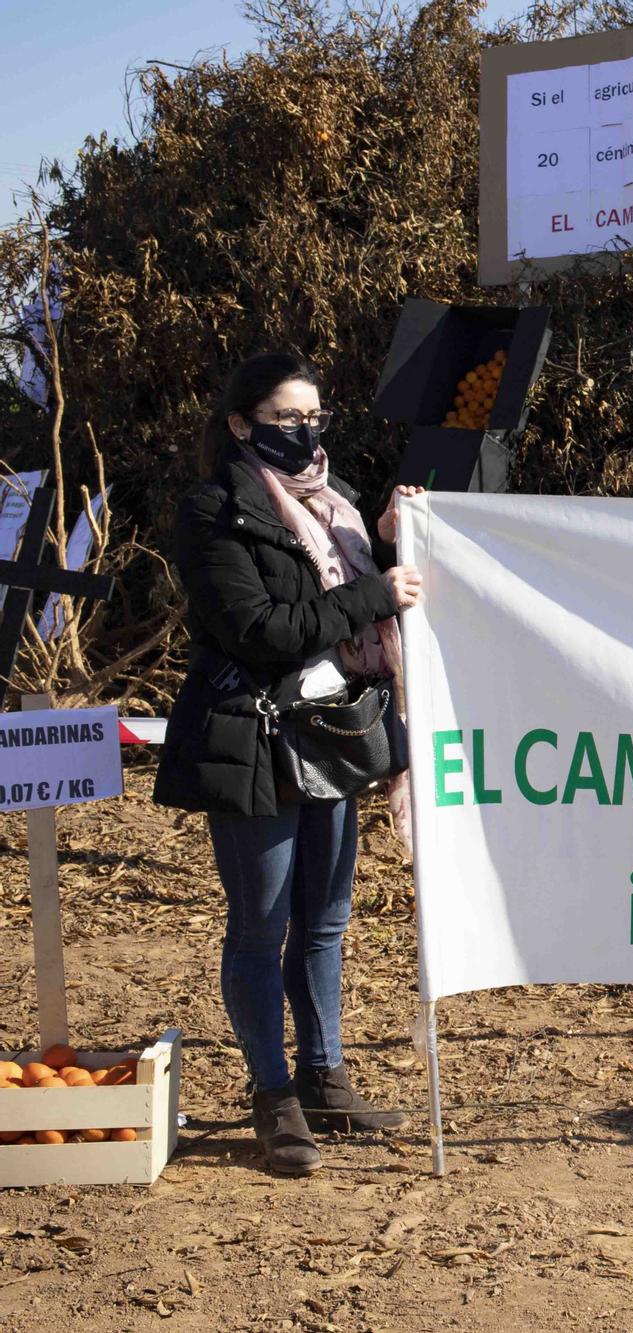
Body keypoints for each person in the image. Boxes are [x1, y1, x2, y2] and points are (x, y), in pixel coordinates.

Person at [154, 353, 425, 1176]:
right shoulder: (212, 511)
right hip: (253, 739)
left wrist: (386, 544)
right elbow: (260, 628)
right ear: (241, 425)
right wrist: (378, 594)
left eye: (315, 416)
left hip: (331, 736)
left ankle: (324, 1077)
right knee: (261, 927)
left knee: (327, 919)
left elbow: (355, 592)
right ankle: (273, 1098)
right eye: (285, 418)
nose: (305, 431)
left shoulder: (333, 508)